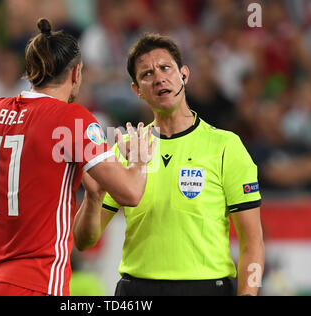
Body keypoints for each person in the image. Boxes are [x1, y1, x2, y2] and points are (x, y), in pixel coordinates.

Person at [0, 19, 155, 296]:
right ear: (76, 73)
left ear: (30, 73)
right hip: (37, 282)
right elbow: (131, 193)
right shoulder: (71, 120)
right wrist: (139, 159)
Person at [73, 33, 265, 296]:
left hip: (206, 289)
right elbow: (85, 241)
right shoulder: (126, 149)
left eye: (165, 68)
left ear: (183, 75)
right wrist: (93, 198)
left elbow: (252, 240)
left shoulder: (225, 146)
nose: (159, 77)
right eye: (147, 74)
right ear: (136, 90)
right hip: (136, 291)